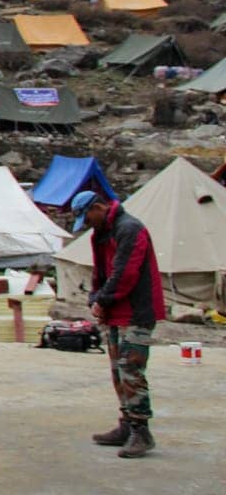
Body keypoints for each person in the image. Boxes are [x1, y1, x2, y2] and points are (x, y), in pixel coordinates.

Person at [72, 191, 166, 458]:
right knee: (117, 370)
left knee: (130, 368)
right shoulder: (100, 233)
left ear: (99, 207)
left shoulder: (130, 229)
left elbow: (125, 273)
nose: (88, 224)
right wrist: (95, 298)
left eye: (88, 218)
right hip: (116, 312)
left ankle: (141, 431)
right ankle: (127, 424)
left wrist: (102, 300)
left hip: (137, 311)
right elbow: (100, 272)